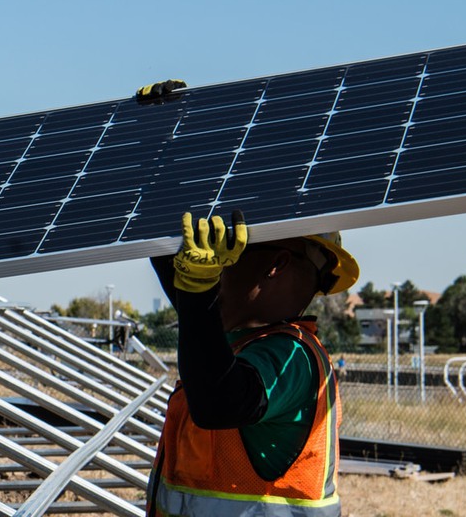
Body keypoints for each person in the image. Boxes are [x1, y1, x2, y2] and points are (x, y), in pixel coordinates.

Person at [145, 210, 355, 517]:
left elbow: (218, 402)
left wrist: (198, 287)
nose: (213, 270)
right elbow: (198, 315)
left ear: (276, 265)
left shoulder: (291, 356)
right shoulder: (239, 342)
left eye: (225, 257)